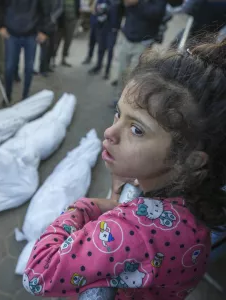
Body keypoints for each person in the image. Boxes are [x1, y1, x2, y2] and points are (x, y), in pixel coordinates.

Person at [23, 40, 226, 298]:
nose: (109, 132)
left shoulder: (131, 230)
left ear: (190, 161)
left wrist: (87, 206)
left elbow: (37, 273)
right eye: (119, 114)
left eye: (137, 130)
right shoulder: (193, 200)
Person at [0, 0, 52, 104]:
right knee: (9, 67)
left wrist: (45, 31)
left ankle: (25, 96)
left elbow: (46, 9)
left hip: (31, 33)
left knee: (29, 68)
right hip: (11, 33)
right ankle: (7, 95)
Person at [112, 0, 167, 108]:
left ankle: (128, 103)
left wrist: (138, 3)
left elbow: (156, 15)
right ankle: (118, 98)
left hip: (142, 42)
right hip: (127, 39)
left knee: (134, 74)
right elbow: (120, 10)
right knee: (121, 71)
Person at [87, 0, 123, 80]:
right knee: (101, 48)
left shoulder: (118, 2)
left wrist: (117, 26)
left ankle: (107, 71)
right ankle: (98, 66)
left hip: (112, 29)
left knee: (110, 50)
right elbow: (97, 10)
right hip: (102, 27)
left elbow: (122, 12)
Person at [53, 0, 80, 67]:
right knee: (57, 40)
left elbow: (78, 6)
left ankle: (63, 59)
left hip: (72, 20)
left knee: (68, 40)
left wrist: (77, 17)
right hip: (61, 20)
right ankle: (53, 59)